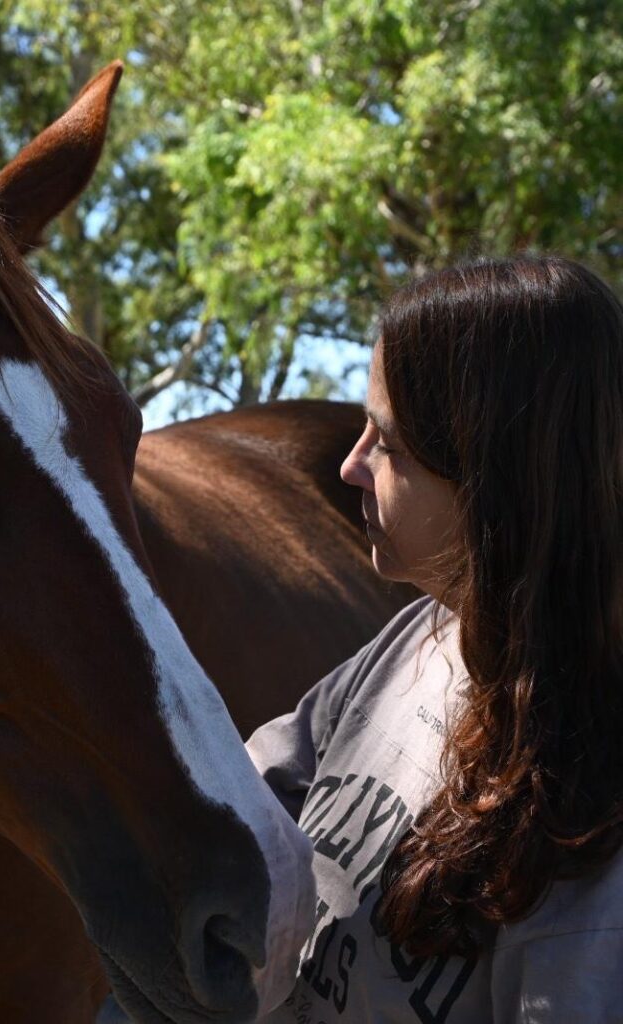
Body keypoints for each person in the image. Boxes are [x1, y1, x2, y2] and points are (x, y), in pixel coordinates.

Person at [248, 255, 623, 1023]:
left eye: (388, 443)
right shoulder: (422, 637)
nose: (350, 466)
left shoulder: (596, 840)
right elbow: (257, 794)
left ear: (494, 476)